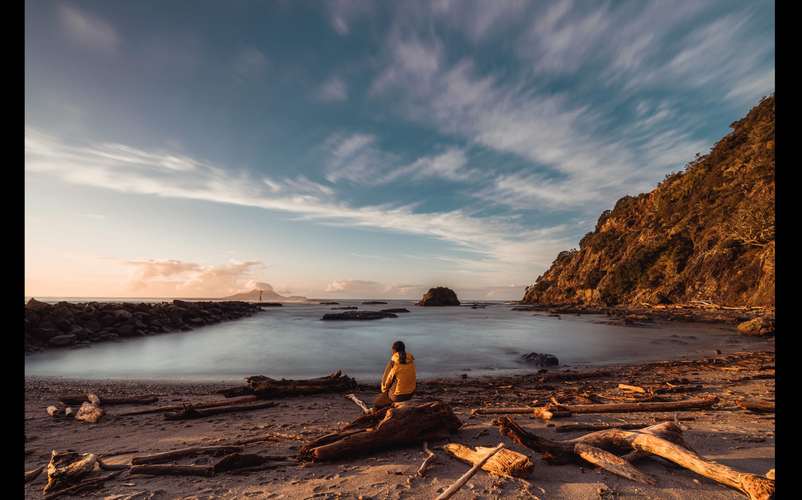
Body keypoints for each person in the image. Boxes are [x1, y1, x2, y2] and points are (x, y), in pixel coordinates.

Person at [374, 340, 416, 408]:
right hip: (411, 393)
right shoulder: (411, 360)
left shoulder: (393, 362)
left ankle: (389, 403)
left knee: (378, 402)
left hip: (399, 396)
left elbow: (388, 380)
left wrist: (384, 391)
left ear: (394, 350)